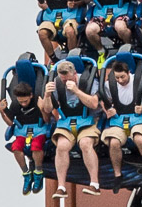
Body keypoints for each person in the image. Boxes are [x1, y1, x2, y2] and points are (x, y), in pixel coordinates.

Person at [43, 61, 103, 197]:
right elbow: (47, 109)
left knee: (85, 143)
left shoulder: (87, 81)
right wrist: (47, 95)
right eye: (63, 80)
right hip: (66, 121)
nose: (66, 82)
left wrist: (76, 90)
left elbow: (94, 103)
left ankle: (94, 184)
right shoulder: (58, 83)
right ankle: (61, 187)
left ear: (74, 74)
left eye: (68, 79)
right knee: (62, 146)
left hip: (87, 119)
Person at [99, 61, 142, 179]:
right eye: (117, 78)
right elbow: (104, 102)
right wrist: (108, 110)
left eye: (122, 77)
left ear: (128, 73)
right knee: (114, 142)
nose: (120, 80)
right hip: (119, 119)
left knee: (139, 138)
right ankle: (117, 175)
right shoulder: (109, 85)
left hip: (138, 118)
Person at [0, 81, 49, 194]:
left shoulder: (37, 101)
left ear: (31, 95)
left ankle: (38, 172)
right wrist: (2, 112)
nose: (23, 104)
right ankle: (26, 173)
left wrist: (42, 109)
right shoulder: (16, 105)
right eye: (20, 101)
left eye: (25, 101)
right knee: (16, 147)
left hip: (39, 129)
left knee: (36, 146)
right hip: (23, 131)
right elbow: (10, 123)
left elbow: (47, 119)